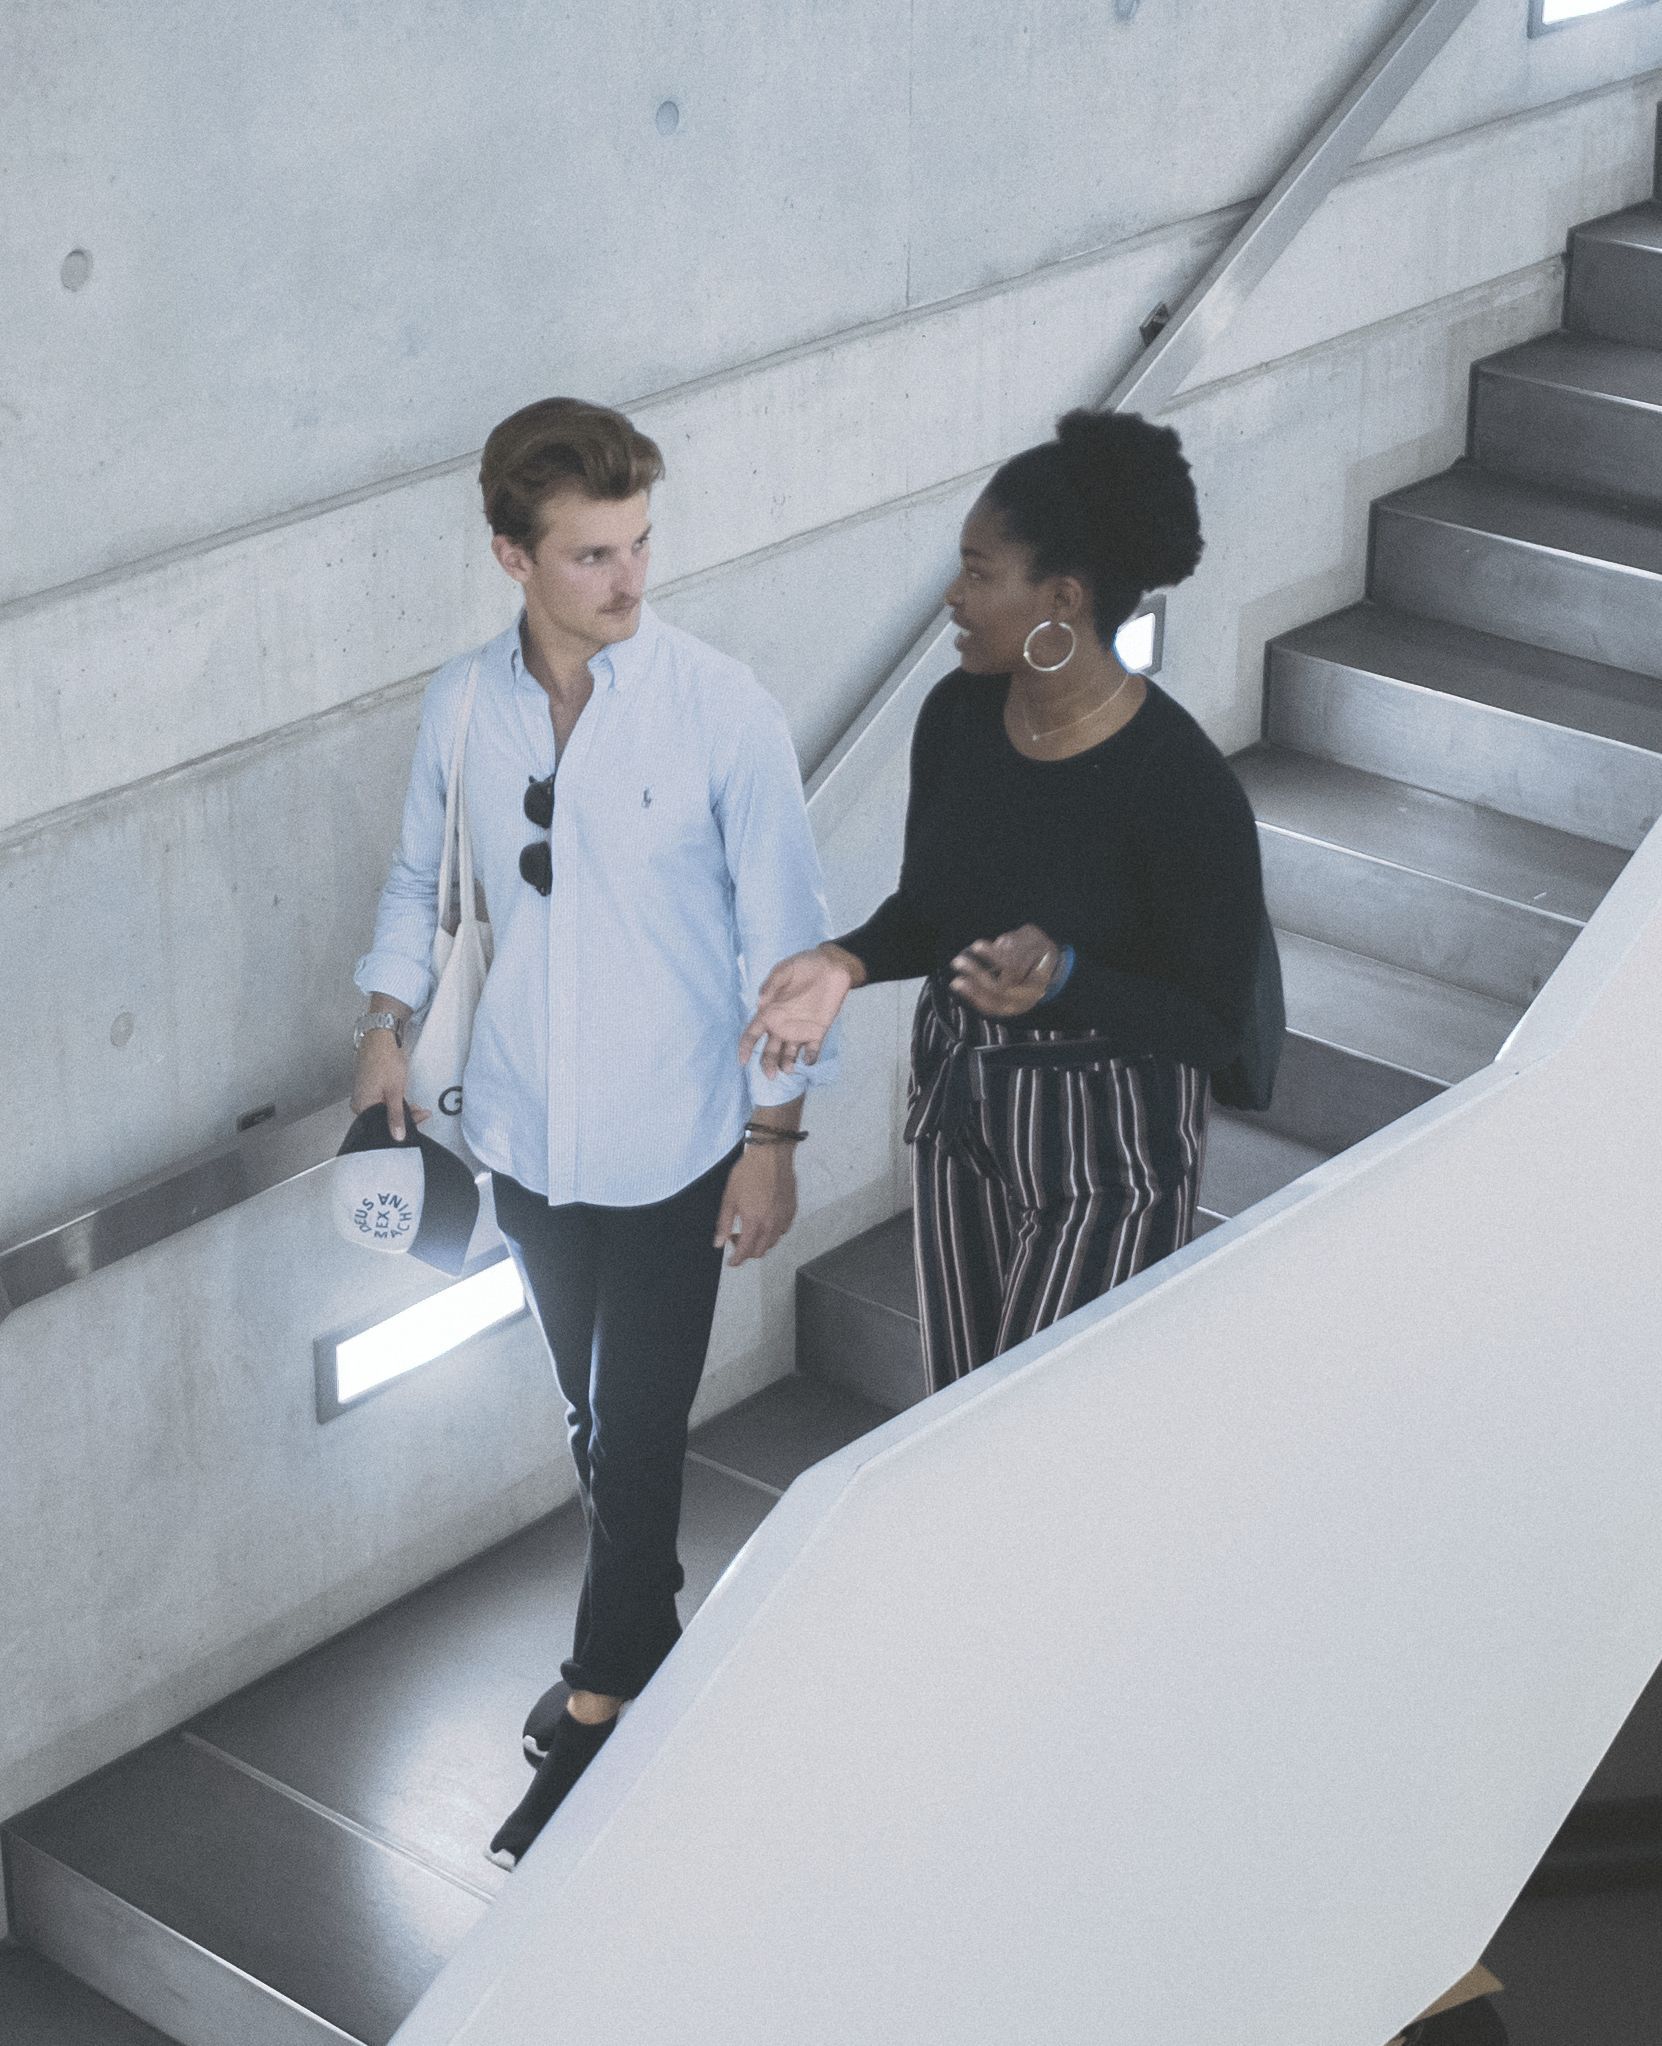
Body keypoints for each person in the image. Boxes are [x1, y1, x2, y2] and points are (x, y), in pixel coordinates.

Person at [352, 397, 837, 1869]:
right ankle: (656, 1645)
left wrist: (774, 1135)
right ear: (511, 555)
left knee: (632, 1441)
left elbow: (792, 948)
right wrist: (384, 1024)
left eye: (637, 546)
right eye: (589, 556)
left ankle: (598, 1708)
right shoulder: (463, 704)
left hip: (685, 1138)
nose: (629, 582)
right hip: (524, 1141)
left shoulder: (718, 706)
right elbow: (417, 875)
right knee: (592, 1419)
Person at [739, 409, 1261, 1392]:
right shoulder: (959, 716)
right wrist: (844, 963)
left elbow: (1212, 1028)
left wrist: (1064, 977)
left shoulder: (1178, 783)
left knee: (1042, 1424)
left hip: (1107, 1146)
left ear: (1062, 598)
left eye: (980, 572)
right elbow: (930, 913)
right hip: (960, 1114)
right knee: (958, 1413)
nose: (953, 596)